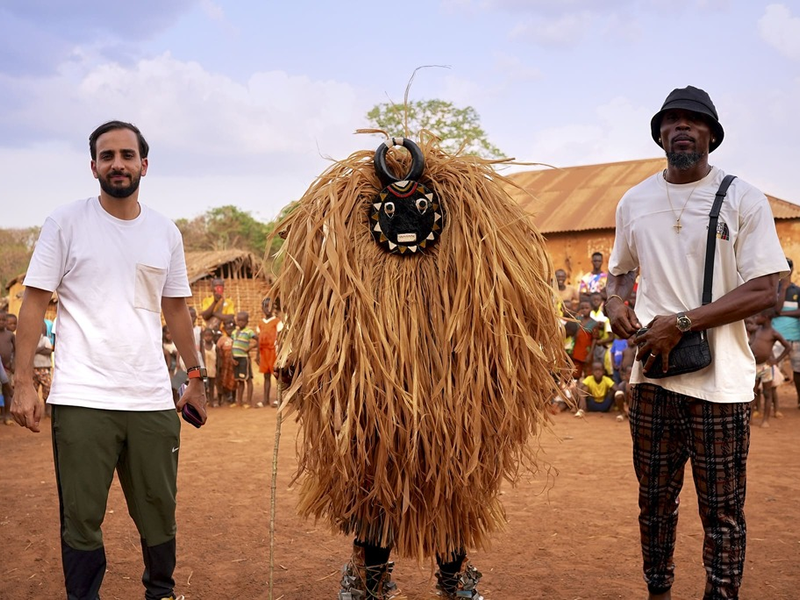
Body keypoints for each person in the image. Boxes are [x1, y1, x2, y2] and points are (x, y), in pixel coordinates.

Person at [605, 85, 788, 600]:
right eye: (672, 120)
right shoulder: (634, 201)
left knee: (723, 510)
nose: (682, 126)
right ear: (660, 133)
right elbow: (619, 273)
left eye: (694, 120)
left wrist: (680, 322)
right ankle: (657, 591)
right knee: (654, 501)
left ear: (711, 134)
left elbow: (767, 287)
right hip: (652, 380)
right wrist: (615, 303)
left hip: (722, 384)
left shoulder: (743, 198)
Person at [11, 120, 207, 600]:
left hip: (151, 400)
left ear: (144, 164)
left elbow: (176, 308)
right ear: (93, 166)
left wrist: (196, 375)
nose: (116, 164)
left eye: (126, 155)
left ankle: (161, 592)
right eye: (106, 156)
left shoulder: (165, 231)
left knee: (160, 509)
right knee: (81, 516)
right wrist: (20, 383)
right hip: (82, 397)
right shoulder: (66, 222)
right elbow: (34, 302)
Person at [749, 309, 790, 428]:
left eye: (758, 316)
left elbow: (787, 347)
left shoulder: (773, 333)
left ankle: (765, 420)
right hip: (755, 366)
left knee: (767, 393)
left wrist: (776, 360)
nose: (756, 318)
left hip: (766, 367)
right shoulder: (757, 330)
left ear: (766, 317)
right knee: (753, 393)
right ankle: (750, 418)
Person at [773, 257, 800, 406]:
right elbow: (775, 310)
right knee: (774, 369)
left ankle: (799, 400)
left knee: (798, 371)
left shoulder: (797, 290)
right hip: (776, 337)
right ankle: (774, 404)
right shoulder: (774, 290)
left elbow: (799, 312)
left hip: (796, 338)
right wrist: (783, 289)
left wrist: (782, 313)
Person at [256, 297, 283, 407]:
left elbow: (281, 338)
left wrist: (281, 354)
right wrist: (257, 355)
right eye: (265, 306)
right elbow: (259, 340)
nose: (267, 309)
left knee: (277, 375)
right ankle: (265, 400)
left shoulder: (277, 322)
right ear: (262, 308)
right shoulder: (260, 323)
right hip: (264, 353)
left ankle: (278, 399)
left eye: (269, 306)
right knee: (266, 377)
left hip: (274, 352)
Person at [231, 311, 257, 408]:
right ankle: (239, 402)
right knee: (239, 380)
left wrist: (250, 348)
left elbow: (258, 340)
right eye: (239, 320)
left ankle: (249, 402)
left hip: (244, 359)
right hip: (236, 358)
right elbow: (232, 345)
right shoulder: (234, 333)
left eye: (243, 321)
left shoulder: (249, 331)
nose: (240, 322)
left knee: (248, 379)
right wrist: (232, 357)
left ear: (247, 322)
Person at [33, 320, 53, 417]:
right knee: (33, 390)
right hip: (33, 368)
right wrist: (42, 349)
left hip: (44, 368)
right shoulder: (31, 339)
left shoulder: (45, 339)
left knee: (47, 389)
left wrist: (37, 350)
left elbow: (49, 351)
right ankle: (33, 410)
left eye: (43, 328)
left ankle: (47, 411)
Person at [0, 311, 15, 425]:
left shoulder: (10, 335)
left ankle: (7, 415)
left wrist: (13, 363)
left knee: (7, 392)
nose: (2, 322)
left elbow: (17, 350)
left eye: (4, 320)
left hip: (7, 368)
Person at [200, 328, 219, 406]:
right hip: (204, 369)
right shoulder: (202, 348)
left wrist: (218, 369)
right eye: (206, 336)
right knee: (203, 387)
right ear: (203, 337)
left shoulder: (215, 347)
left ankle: (211, 401)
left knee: (211, 386)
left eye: (210, 335)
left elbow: (218, 359)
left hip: (212, 369)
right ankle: (204, 402)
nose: (208, 337)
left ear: (213, 336)